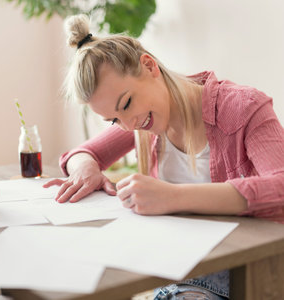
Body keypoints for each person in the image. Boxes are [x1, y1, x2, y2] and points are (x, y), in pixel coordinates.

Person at [44, 14, 284, 299]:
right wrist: (84, 167)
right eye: (113, 119)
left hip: (245, 277)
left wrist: (173, 196)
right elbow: (82, 153)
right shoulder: (140, 120)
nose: (128, 125)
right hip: (174, 275)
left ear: (149, 66)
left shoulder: (243, 108)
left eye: (126, 103)